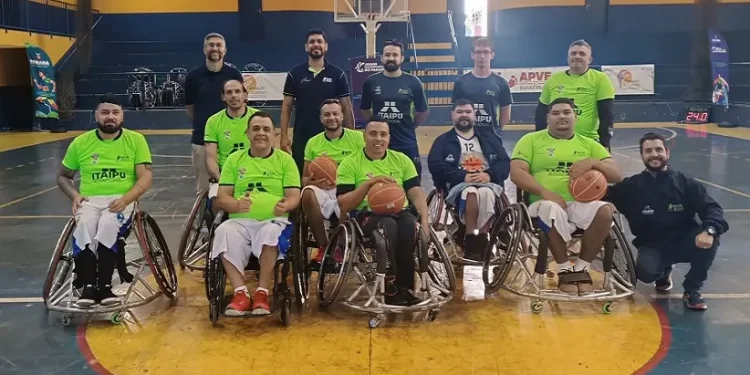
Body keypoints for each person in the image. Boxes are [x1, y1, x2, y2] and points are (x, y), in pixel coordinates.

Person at [510, 97, 623, 295]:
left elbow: (616, 175)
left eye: (566, 112)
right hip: (542, 203)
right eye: (555, 113)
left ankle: (581, 268)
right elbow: (517, 173)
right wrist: (545, 192)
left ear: (575, 117)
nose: (561, 116)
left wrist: (593, 163)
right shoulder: (531, 140)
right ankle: (564, 269)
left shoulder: (590, 145)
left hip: (579, 203)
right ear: (548, 118)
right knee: (550, 208)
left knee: (605, 211)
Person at [605, 132, 728, 310]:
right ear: (642, 156)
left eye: (658, 149)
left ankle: (692, 289)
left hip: (686, 240)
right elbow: (599, 193)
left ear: (667, 153)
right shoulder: (630, 187)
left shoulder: (686, 183)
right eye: (648, 151)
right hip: (653, 245)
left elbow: (713, 209)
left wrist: (709, 230)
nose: (654, 154)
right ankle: (663, 271)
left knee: (712, 238)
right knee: (646, 274)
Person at [56, 94, 153, 307]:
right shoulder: (80, 143)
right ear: (96, 115)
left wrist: (127, 199)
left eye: (115, 112)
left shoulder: (136, 140)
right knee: (84, 228)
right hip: (90, 201)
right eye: (105, 112)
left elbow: (145, 177)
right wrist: (75, 195)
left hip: (121, 200)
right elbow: (63, 176)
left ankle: (105, 286)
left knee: (108, 226)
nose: (110, 117)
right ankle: (89, 287)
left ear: (122, 116)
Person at [211, 111, 301, 316]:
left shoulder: (285, 161)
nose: (261, 133)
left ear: (274, 134)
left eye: (266, 129)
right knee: (223, 231)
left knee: (271, 233)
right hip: (240, 221)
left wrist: (286, 206)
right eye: (256, 129)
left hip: (273, 219)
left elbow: (295, 196)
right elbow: (222, 197)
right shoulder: (234, 160)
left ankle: (262, 292)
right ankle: (240, 293)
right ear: (247, 133)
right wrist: (235, 205)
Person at [336, 120, 431, 306]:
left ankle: (406, 287)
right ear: (364, 136)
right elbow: (344, 204)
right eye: (372, 134)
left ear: (389, 138)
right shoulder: (350, 163)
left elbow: (416, 193)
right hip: (367, 215)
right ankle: (391, 287)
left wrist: (426, 221)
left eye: (383, 134)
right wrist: (369, 184)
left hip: (399, 212)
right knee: (388, 227)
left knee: (409, 225)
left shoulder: (402, 160)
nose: (378, 138)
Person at [427, 99, 510, 261]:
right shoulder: (443, 141)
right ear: (452, 115)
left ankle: (482, 238)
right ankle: (473, 240)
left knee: (485, 193)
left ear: (474, 115)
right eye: (459, 112)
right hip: (458, 185)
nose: (464, 115)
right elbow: (435, 166)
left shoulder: (489, 138)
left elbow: (505, 163)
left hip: (488, 183)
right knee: (470, 192)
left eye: (468, 112)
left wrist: (489, 175)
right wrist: (461, 176)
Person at [281, 29, 355, 175]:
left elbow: (346, 106)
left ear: (325, 46)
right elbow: (287, 106)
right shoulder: (294, 74)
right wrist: (283, 135)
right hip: (303, 135)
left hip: (331, 135)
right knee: (304, 177)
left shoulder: (337, 74)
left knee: (336, 176)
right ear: (306, 47)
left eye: (319, 41)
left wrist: (351, 134)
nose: (316, 45)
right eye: (312, 42)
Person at [301, 98, 365, 266]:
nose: (332, 118)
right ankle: (323, 246)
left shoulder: (358, 138)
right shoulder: (313, 142)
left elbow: (367, 166)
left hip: (350, 187)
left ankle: (341, 246)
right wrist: (315, 183)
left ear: (342, 116)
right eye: (327, 115)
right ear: (321, 118)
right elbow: (304, 179)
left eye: (335, 114)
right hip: (324, 189)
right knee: (307, 193)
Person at [185, 32, 244, 196]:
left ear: (225, 50)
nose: (215, 48)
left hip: (231, 143)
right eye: (211, 45)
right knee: (203, 192)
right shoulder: (193, 77)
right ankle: (203, 222)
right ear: (204, 49)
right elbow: (190, 109)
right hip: (202, 141)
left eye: (219, 45)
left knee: (235, 189)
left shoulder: (234, 75)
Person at [360, 40, 429, 177]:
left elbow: (423, 111)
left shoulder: (413, 82)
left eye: (395, 55)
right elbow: (365, 109)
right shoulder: (371, 82)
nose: (391, 58)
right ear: (381, 57)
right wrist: (377, 126)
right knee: (379, 182)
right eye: (387, 54)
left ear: (401, 58)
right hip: (379, 142)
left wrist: (410, 126)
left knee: (411, 182)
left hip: (406, 142)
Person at [534, 39, 616, 150]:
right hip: (555, 141)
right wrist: (539, 138)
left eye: (582, 54)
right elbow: (541, 111)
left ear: (590, 59)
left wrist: (605, 144)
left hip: (587, 142)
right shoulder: (554, 79)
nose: (577, 56)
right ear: (568, 58)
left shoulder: (600, 79)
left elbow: (606, 115)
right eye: (573, 53)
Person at [204, 79, 259, 207]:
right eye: (229, 92)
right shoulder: (213, 121)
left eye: (237, 91)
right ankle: (217, 226)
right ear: (223, 97)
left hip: (254, 173)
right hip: (226, 175)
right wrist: (222, 180)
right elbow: (210, 159)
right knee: (216, 200)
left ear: (245, 95)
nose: (233, 95)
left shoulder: (258, 118)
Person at [451, 38, 513, 140]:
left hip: (492, 139)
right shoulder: (460, 82)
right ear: (472, 55)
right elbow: (455, 112)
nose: (482, 56)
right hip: (466, 139)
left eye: (486, 52)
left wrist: (496, 131)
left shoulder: (501, 83)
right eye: (478, 52)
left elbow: (506, 116)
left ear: (492, 55)